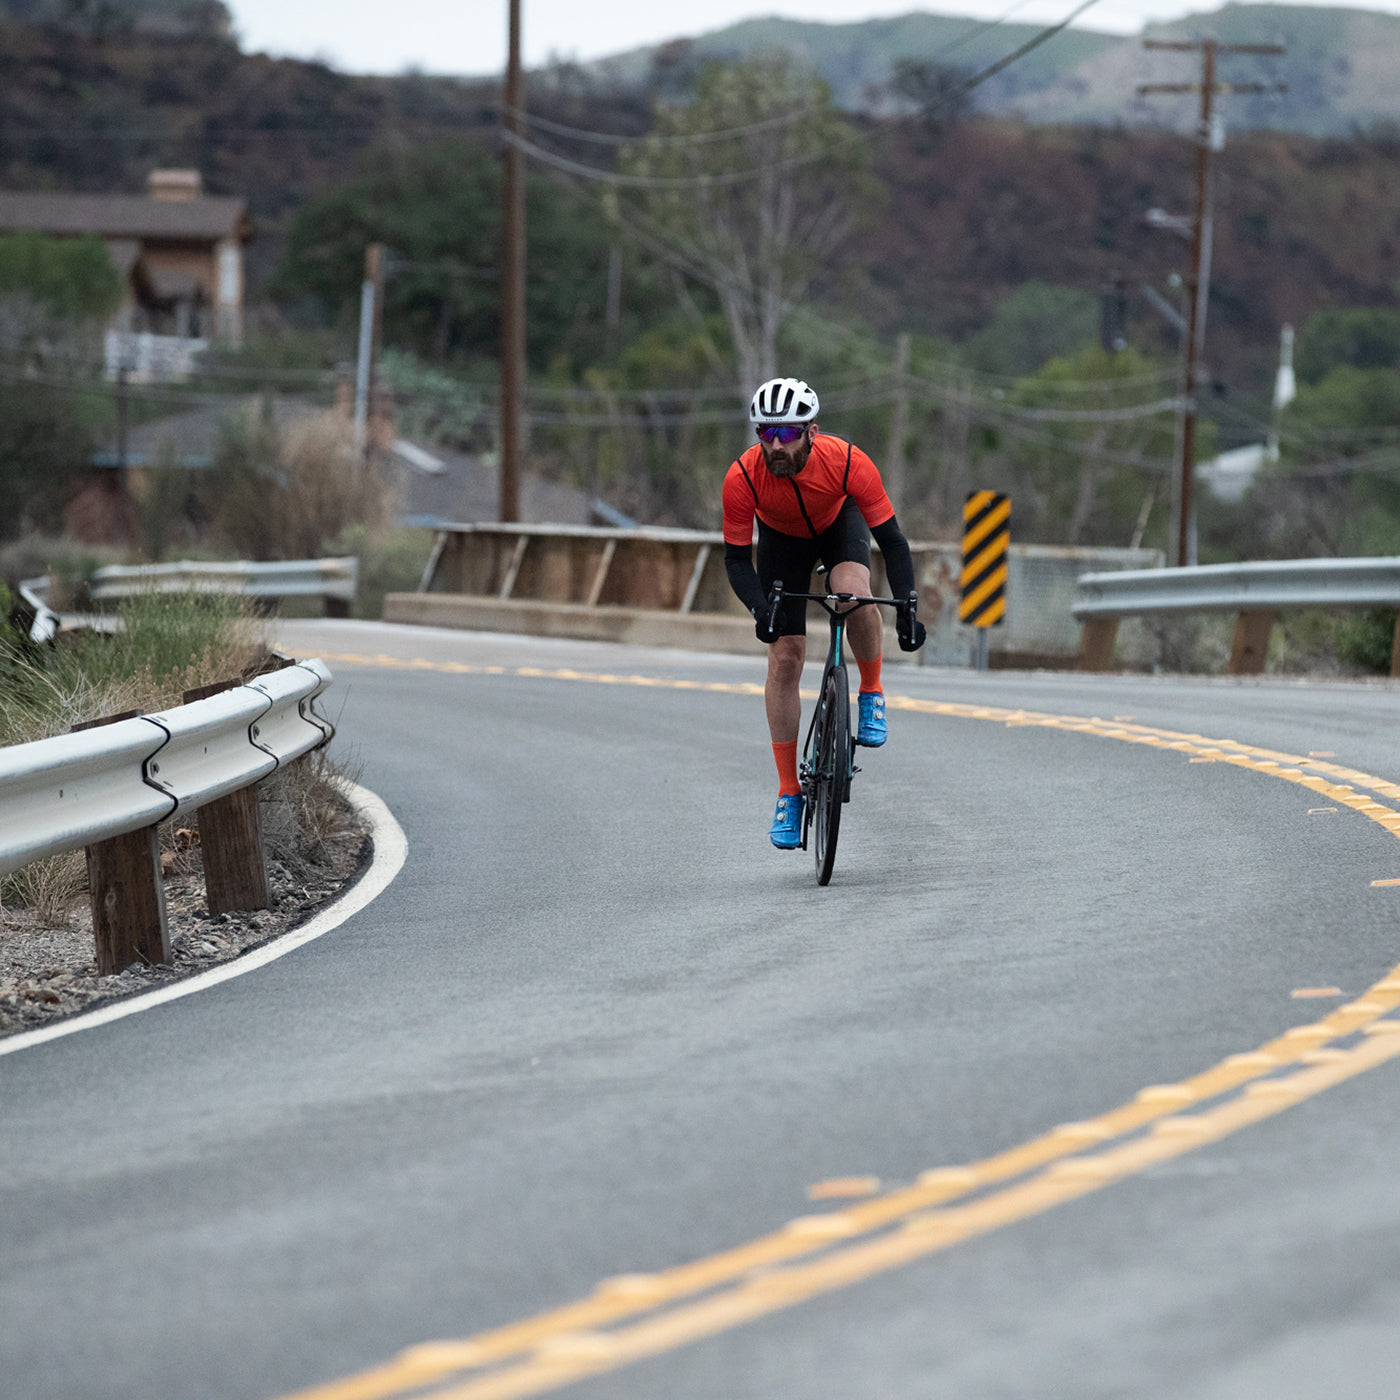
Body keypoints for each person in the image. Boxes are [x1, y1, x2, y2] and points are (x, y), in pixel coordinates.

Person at [722, 376, 926, 849]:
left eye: (787, 433)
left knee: (853, 593)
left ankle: (871, 691)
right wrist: (760, 610)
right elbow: (736, 560)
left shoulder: (849, 462)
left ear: (812, 431)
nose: (775, 444)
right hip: (781, 541)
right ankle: (789, 793)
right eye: (765, 433)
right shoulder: (742, 477)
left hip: (838, 522)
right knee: (785, 656)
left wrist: (909, 610)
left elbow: (893, 542)